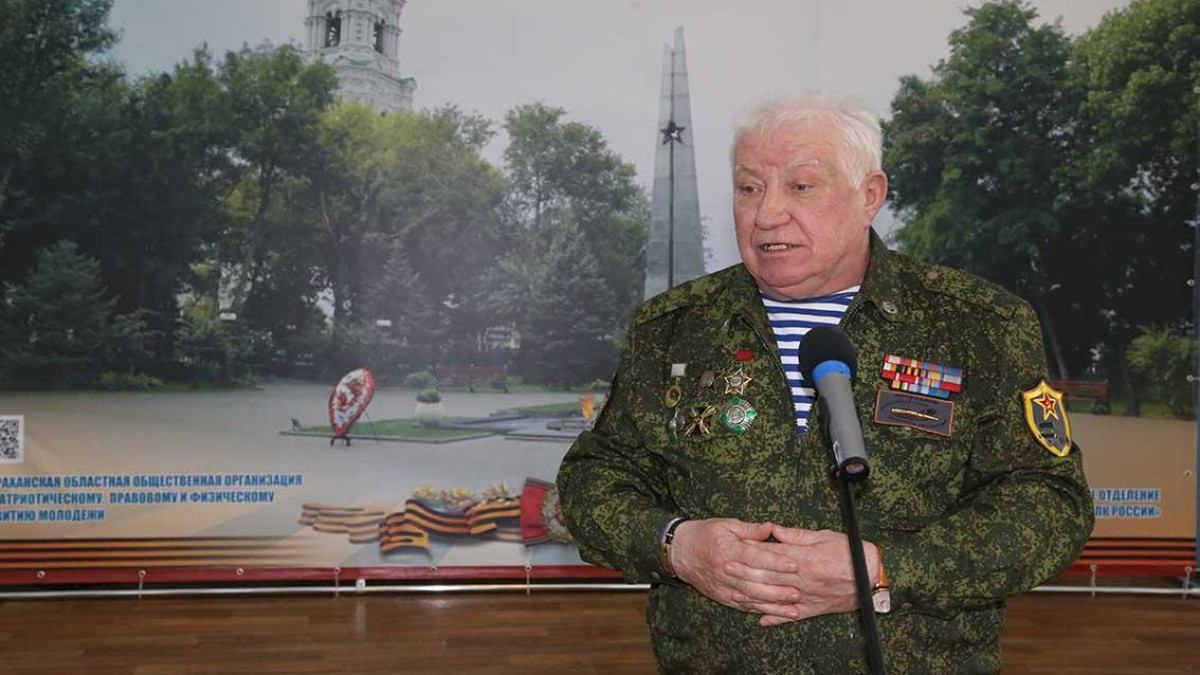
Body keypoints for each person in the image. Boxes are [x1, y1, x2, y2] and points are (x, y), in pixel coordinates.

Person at [556, 92, 1093, 674]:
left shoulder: (977, 324)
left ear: (870, 196)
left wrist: (885, 571)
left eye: (801, 186)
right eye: (748, 188)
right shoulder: (672, 328)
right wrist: (675, 544)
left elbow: (1049, 503)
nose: (767, 213)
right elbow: (593, 479)